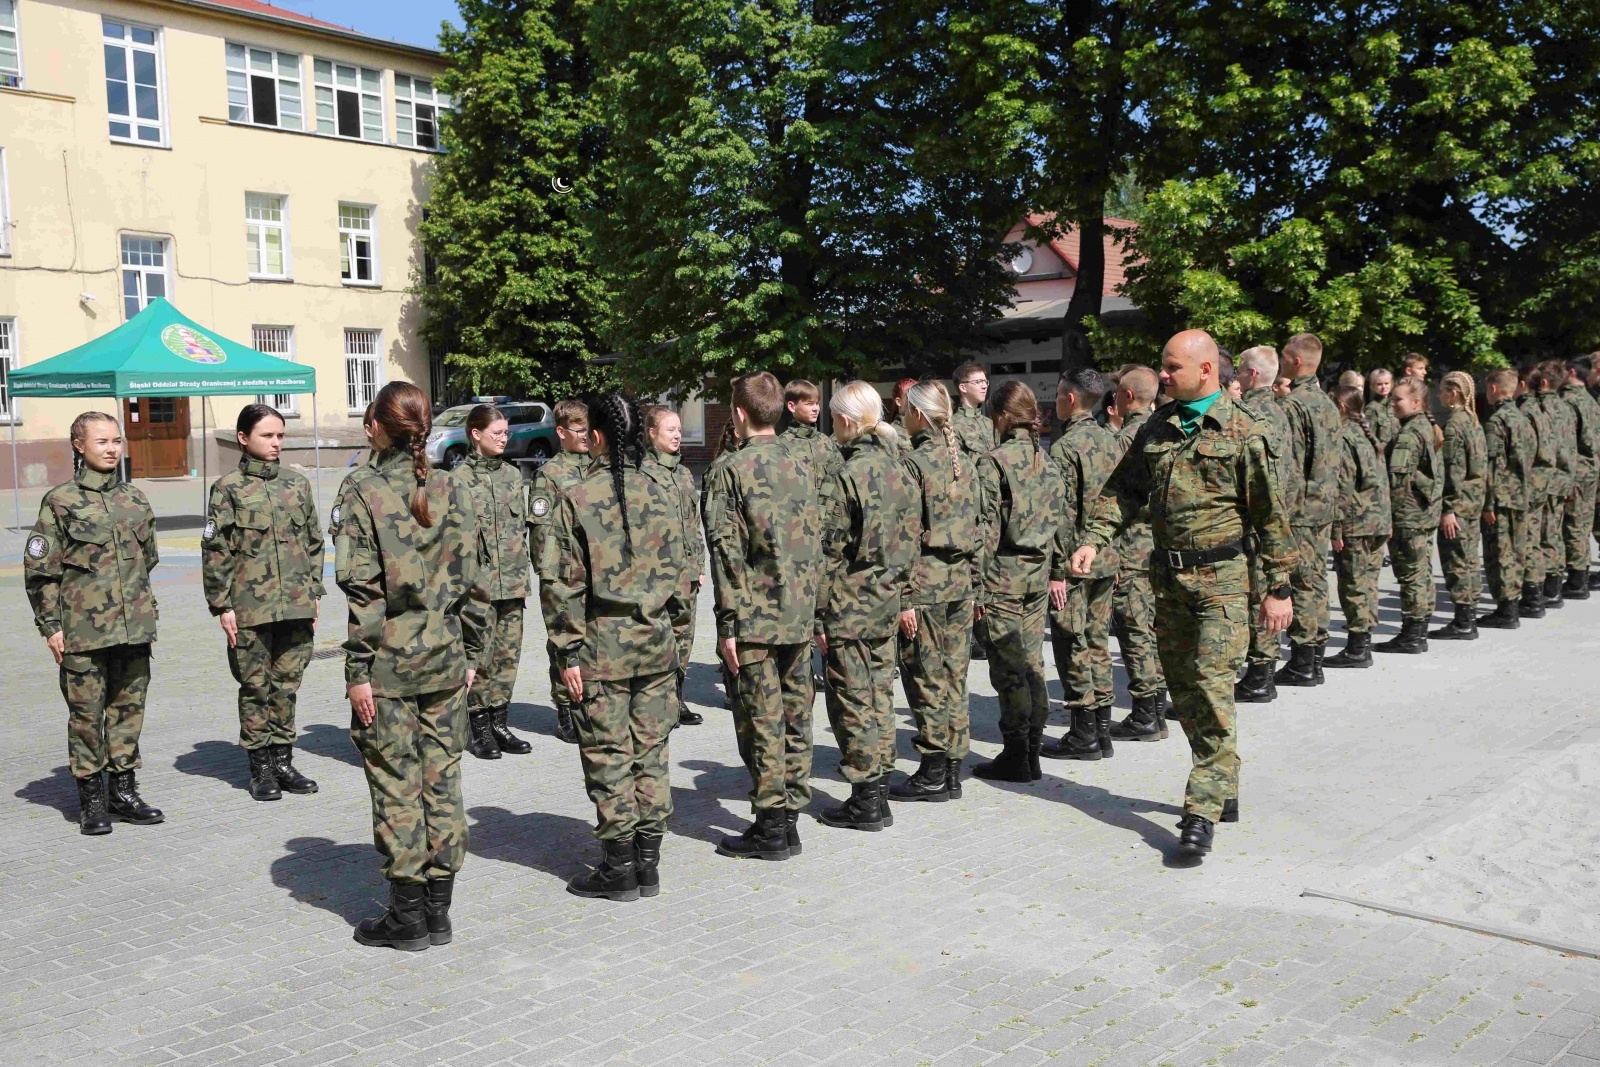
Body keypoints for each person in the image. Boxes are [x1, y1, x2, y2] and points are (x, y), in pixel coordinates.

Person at [1074, 330, 1294, 862]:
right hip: (1167, 582)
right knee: (1185, 692)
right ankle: (1225, 784)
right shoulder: (1160, 424)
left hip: (1222, 583)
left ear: (1206, 371)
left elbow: (1271, 516)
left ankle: (1199, 811)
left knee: (1213, 689)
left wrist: (1279, 589)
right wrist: (1093, 538)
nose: (1162, 376)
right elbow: (1124, 488)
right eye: (1162, 366)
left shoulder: (1245, 431)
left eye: (1172, 368)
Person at [335, 381, 489, 951]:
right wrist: (473, 653)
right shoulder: (455, 487)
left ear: (378, 426)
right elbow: (477, 582)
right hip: (445, 657)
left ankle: (408, 917)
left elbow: (364, 594)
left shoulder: (364, 491)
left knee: (398, 784)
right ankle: (439, 910)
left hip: (391, 664)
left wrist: (356, 672)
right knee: (442, 778)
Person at [545, 393, 687, 901]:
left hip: (602, 650)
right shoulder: (663, 491)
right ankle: (647, 865)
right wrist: (681, 645)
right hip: (656, 645)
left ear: (596, 436)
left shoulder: (578, 496)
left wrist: (565, 652)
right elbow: (685, 577)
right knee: (651, 752)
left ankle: (620, 867)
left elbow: (563, 584)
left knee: (608, 755)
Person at [25, 411, 165, 836]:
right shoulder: (60, 501)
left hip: (133, 628)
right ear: (79, 446)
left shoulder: (135, 500)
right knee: (86, 716)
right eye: (102, 441)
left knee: (128, 712)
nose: (111, 449)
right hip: (83, 633)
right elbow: (40, 570)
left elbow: (149, 559)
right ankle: (90, 799)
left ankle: (123, 791)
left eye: (117, 441)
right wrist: (51, 626)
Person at [704, 372, 825, 860]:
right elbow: (821, 540)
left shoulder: (730, 470)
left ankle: (772, 825)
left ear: (738, 414)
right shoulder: (802, 463)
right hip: (797, 612)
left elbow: (726, 553)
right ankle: (788, 818)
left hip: (754, 617)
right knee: (796, 716)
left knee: (761, 719)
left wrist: (727, 624)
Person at [202, 403, 325, 801]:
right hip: (249, 607)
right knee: (256, 686)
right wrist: (222, 605)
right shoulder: (227, 489)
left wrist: (314, 592)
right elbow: (215, 549)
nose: (276, 443)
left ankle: (283, 760)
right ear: (243, 438)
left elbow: (314, 543)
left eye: (280, 436)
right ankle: (260, 768)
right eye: (267, 436)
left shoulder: (297, 485)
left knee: (287, 686)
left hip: (295, 604)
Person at [815, 382, 918, 830]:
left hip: (850, 602)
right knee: (879, 695)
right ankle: (878, 790)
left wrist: (818, 611)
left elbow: (829, 550)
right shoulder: (902, 470)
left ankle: (866, 799)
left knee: (852, 700)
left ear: (846, 421)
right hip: (886, 597)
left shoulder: (848, 475)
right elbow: (914, 540)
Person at [889, 380, 981, 802]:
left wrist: (904, 598)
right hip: (960, 583)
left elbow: (903, 536)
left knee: (926, 677)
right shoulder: (963, 460)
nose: (904, 415)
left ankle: (933, 771)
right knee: (953, 676)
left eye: (908, 409)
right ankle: (952, 767)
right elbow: (983, 530)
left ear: (919, 415)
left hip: (926, 585)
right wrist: (977, 586)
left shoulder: (915, 463)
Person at [970, 381, 1062, 784]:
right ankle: (1033, 750)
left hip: (1003, 578)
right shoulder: (1048, 460)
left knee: (1009, 670)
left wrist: (975, 586)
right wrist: (1057, 571)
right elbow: (1061, 525)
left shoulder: (994, 462)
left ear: (1003, 416)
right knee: (1033, 665)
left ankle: (1017, 754)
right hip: (1037, 577)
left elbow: (985, 530)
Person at [1039, 369, 1121, 762]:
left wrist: (1057, 570)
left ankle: (1083, 732)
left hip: (1075, 562)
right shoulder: (1111, 441)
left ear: (1070, 399)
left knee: (1072, 643)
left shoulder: (1066, 448)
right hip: (1105, 557)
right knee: (1097, 640)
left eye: (1057, 395)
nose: (1054, 403)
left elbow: (1060, 515)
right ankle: (1101, 728)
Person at [450, 404, 535, 761]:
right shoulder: (457, 480)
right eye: (497, 433)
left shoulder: (513, 476)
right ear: (476, 434)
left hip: (513, 582)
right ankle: (478, 726)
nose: (504, 438)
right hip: (478, 587)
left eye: (506, 433)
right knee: (479, 658)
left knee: (507, 657)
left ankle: (500, 720)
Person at [1272, 334, 1342, 687]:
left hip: (1300, 510)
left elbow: (1290, 467)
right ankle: (1313, 656)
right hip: (1324, 506)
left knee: (1300, 582)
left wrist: (1278, 512)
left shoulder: (1294, 405)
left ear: (1295, 361)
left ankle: (1303, 661)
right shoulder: (1327, 403)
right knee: (1316, 581)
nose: (1281, 363)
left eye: (1284, 357)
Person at [1106, 366, 1170, 741]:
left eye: (1117, 394)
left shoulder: (1126, 439)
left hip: (1131, 547)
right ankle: (1156, 707)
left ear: (1127, 397)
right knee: (1153, 626)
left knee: (1134, 629)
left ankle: (1146, 712)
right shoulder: (1164, 433)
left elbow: (1115, 502)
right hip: (1157, 545)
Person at [1232, 346, 1295, 703]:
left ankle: (1258, 675)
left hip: (1257, 518)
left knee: (1258, 594)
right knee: (1266, 590)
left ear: (1252, 374)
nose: (1238, 378)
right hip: (1277, 512)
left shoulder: (1250, 413)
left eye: (1240, 371)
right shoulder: (1281, 411)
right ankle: (1262, 672)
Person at [639, 405, 707, 728]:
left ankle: (678, 699)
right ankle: (659, 704)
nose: (678, 435)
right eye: (671, 430)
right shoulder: (641, 474)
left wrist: (700, 564)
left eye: (680, 429)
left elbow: (693, 524)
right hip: (658, 577)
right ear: (652, 433)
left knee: (684, 639)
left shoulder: (682, 473)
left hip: (688, 573)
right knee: (659, 641)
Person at [529, 400, 592, 744]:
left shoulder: (597, 467)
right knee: (563, 639)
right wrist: (548, 574)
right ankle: (566, 710)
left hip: (595, 568)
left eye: (588, 429)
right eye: (579, 431)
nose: (585, 436)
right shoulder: (549, 475)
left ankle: (587, 703)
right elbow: (540, 530)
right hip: (563, 571)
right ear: (562, 432)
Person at [1375, 377, 1442, 653]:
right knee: (1422, 572)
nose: (1393, 403)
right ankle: (1419, 631)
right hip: (1422, 512)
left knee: (1411, 575)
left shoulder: (1408, 434)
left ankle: (1412, 635)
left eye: (1398, 399)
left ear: (1416, 402)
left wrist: (1388, 518)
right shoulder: (1423, 426)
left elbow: (1398, 480)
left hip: (1408, 514)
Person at [1324, 386, 1390, 667]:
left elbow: (1342, 486)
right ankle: (1363, 641)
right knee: (1369, 583)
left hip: (1356, 522)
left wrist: (1336, 529)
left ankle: (1357, 648)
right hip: (1375, 520)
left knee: (1353, 584)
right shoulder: (1367, 434)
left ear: (1340, 406)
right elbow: (1383, 481)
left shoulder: (1345, 436)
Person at [1478, 369, 1536, 629]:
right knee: (1516, 549)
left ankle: (1506, 609)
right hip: (1521, 494)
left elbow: (1493, 466)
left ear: (1492, 389)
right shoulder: (1522, 418)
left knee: (1499, 552)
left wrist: (1488, 503)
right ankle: (1513, 603)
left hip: (1502, 497)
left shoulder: (1497, 420)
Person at [1430, 373, 1487, 640]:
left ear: (1453, 393)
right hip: (1473, 500)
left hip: (1459, 504)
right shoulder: (1473, 421)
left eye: (1442, 390)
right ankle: (1468, 617)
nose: (1439, 395)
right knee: (1469, 559)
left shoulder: (1454, 425)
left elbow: (1453, 470)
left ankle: (1464, 621)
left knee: (1457, 562)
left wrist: (1448, 508)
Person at [951, 361, 996, 662]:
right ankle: (970, 633)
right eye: (978, 381)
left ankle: (985, 630)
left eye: (985, 381)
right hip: (968, 509)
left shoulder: (990, 424)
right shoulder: (952, 425)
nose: (984, 385)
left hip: (989, 508)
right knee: (970, 568)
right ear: (962, 387)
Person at [1537, 359, 1578, 607]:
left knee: (1546, 535)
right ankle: (1553, 588)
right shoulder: (1564, 406)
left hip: (1547, 479)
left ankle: (1551, 591)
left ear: (1542, 382)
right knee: (1554, 532)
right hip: (1562, 476)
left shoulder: (1544, 407)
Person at [1517, 366, 1557, 616]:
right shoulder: (1539, 408)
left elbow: (1524, 454)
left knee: (1528, 540)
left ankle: (1533, 600)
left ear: (1523, 384)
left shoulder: (1526, 411)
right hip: (1543, 480)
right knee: (1539, 537)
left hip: (1531, 482)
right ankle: (1539, 594)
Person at [1559, 357, 1600, 599]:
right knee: (1583, 524)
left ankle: (1576, 582)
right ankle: (1580, 577)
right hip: (1591, 469)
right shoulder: (1590, 399)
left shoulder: (1569, 401)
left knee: (1574, 525)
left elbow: (1566, 444)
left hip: (1576, 471)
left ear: (1572, 371)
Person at [1365, 369, 1399, 451]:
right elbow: (1369, 433)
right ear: (1372, 386)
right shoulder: (1372, 408)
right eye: (1379, 384)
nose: (1384, 387)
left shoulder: (1395, 405)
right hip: (1382, 454)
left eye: (1386, 383)